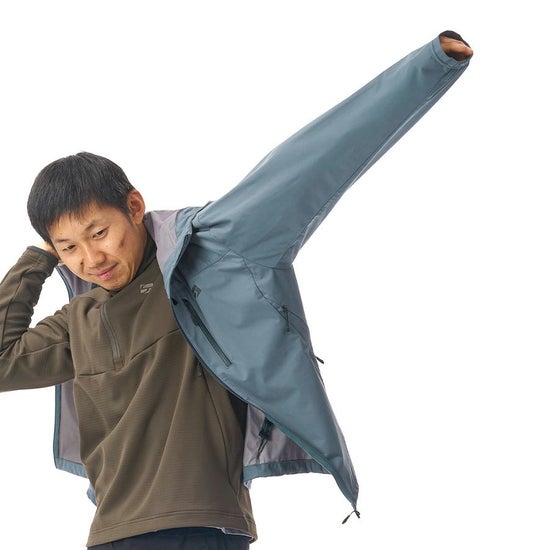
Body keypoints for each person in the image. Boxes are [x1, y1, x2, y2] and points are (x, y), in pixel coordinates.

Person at [0, 31, 473, 549]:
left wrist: (431, 64)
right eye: (68, 247)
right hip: (110, 534)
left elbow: (308, 166)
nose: (91, 259)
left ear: (134, 207)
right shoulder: (80, 320)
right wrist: (37, 259)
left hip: (201, 527)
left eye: (98, 233)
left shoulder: (206, 258)